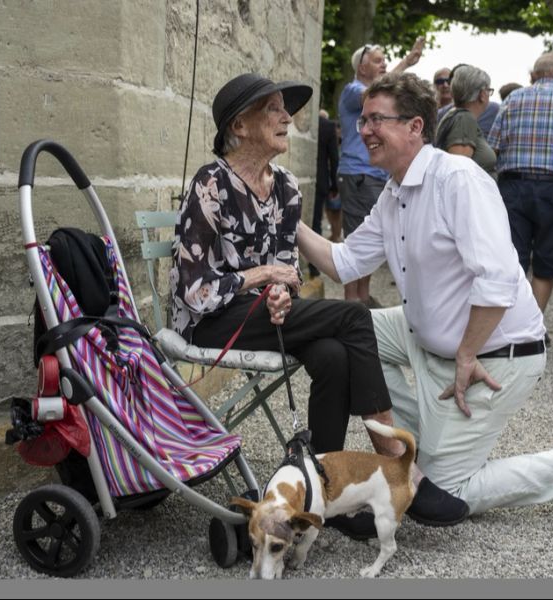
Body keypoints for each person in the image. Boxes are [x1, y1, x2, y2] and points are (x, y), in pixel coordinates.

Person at [299, 72, 553, 521]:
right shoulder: (394, 189)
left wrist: (466, 353)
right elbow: (345, 263)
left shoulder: (457, 179)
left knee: (440, 492)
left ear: (416, 126)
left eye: (375, 119)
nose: (363, 130)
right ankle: (410, 442)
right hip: (424, 334)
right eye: (362, 120)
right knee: (346, 330)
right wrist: (291, 221)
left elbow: (495, 280)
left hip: (495, 353)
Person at [170, 72, 466, 535]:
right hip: (211, 322)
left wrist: (280, 296)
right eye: (271, 108)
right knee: (352, 314)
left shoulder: (286, 188)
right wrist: (264, 276)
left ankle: (321, 492)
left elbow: (286, 268)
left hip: (260, 318)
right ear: (239, 126)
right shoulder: (211, 184)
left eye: (285, 108)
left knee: (331, 356)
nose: (287, 117)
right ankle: (397, 464)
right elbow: (192, 290)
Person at [488, 52, 553, 314]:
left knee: (512, 258)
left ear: (533, 75)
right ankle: (533, 325)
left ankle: (508, 322)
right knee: (547, 260)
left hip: (513, 187)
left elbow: (493, 146)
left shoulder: (513, 99)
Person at [338, 39, 424, 307]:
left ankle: (362, 296)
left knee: (371, 239)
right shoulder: (354, 90)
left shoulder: (365, 90)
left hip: (371, 177)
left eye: (385, 60)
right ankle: (353, 301)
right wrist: (407, 61)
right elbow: (379, 92)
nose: (384, 65)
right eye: (378, 60)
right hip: (357, 176)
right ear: (362, 67)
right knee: (355, 240)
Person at [434, 64, 496, 177]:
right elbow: (458, 172)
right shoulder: (464, 119)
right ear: (482, 95)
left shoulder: (456, 115)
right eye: (488, 90)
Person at [309, 109, 340, 277]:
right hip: (321, 179)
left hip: (314, 179)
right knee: (316, 223)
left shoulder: (319, 126)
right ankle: (314, 266)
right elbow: (334, 158)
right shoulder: (329, 127)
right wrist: (334, 185)